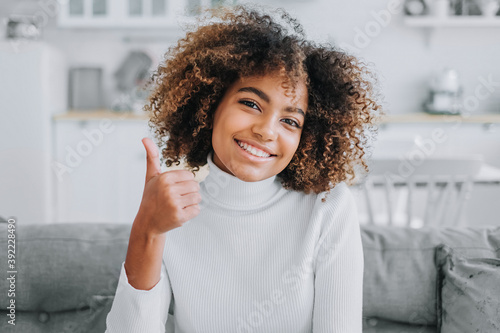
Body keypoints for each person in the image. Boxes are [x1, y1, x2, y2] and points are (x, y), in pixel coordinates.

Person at [105, 3, 381, 333]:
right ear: (210, 103)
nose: (267, 130)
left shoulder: (327, 206)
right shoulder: (171, 205)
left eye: (290, 121)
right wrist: (147, 229)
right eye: (250, 103)